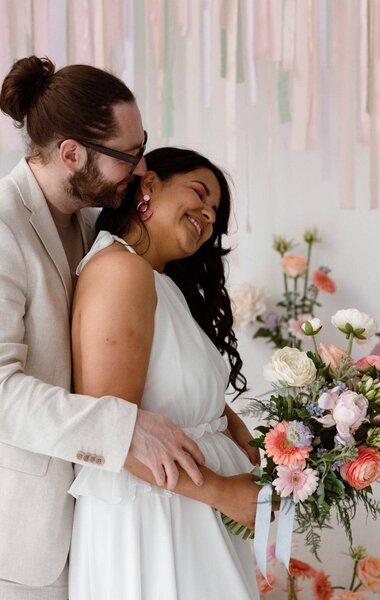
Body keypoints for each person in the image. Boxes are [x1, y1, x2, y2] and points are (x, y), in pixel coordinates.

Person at [0, 56, 209, 600]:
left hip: (108, 526)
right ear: (71, 153)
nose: (140, 168)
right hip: (25, 539)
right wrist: (121, 427)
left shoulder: (94, 221)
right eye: (129, 156)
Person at [68, 147, 262, 599]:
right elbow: (109, 427)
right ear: (148, 184)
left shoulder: (156, 280)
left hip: (188, 511)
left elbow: (176, 387)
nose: (208, 216)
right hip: (158, 517)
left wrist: (238, 432)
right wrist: (222, 492)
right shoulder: (121, 271)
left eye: (215, 214)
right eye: (199, 194)